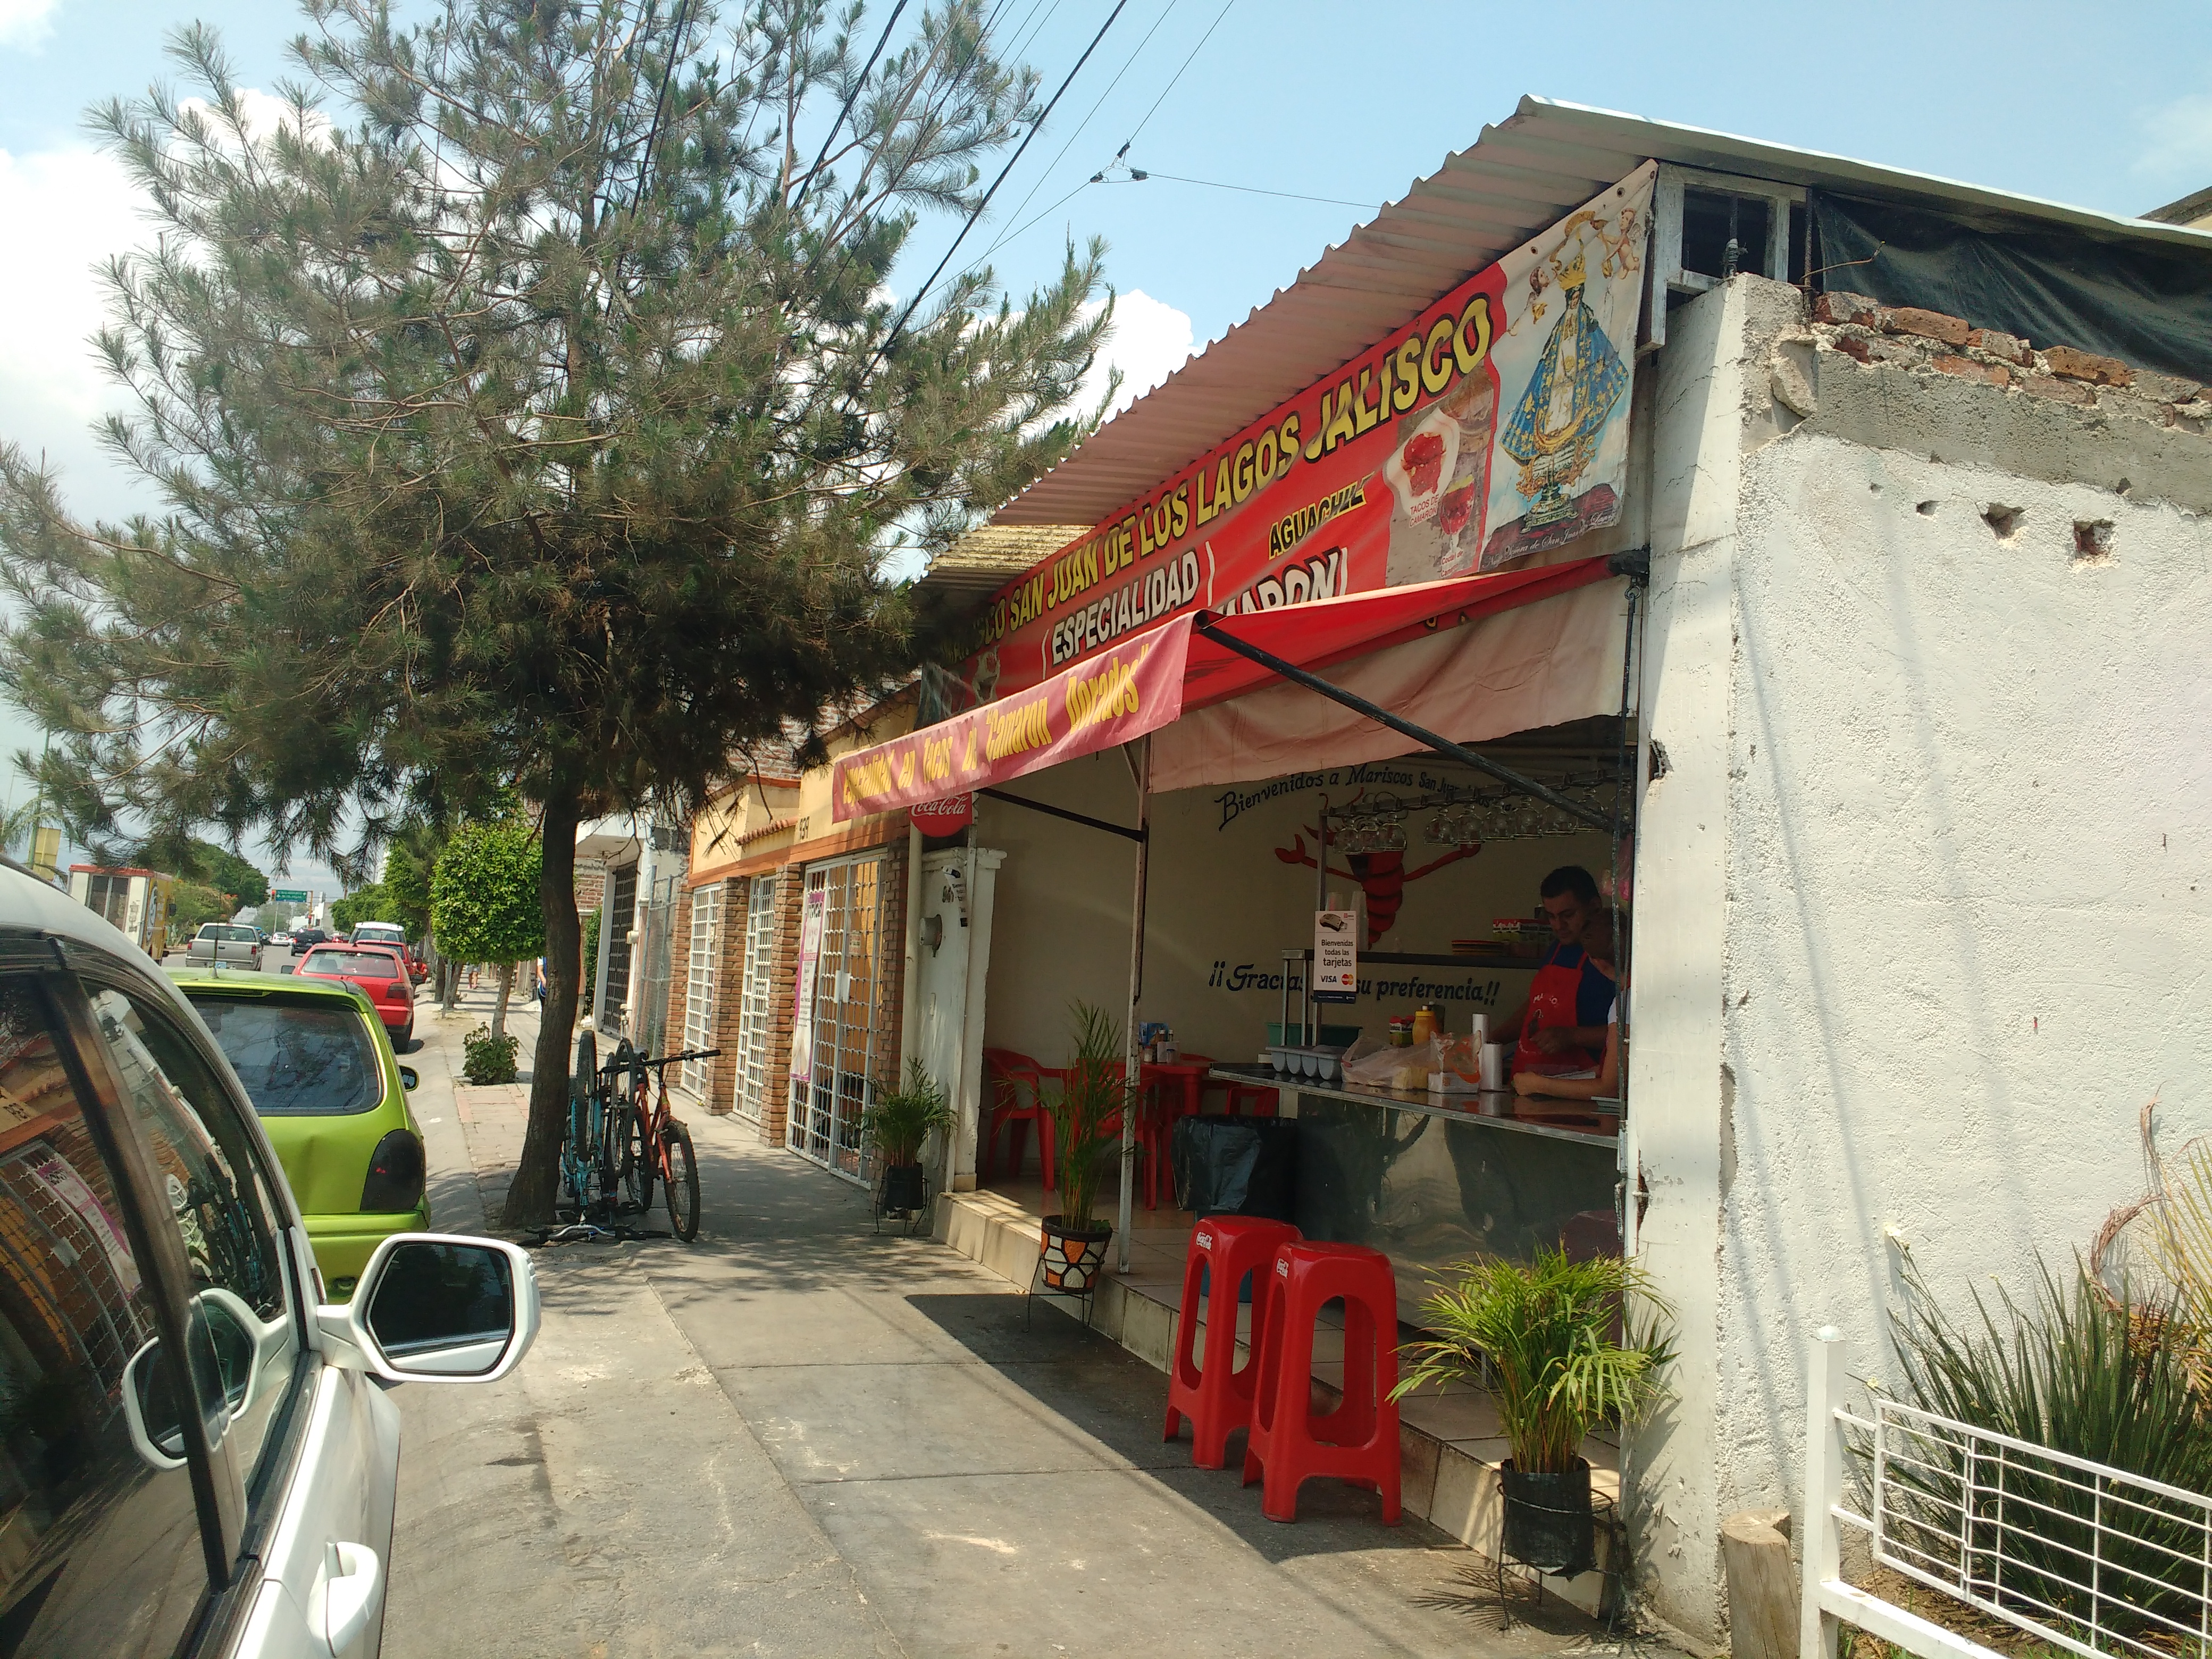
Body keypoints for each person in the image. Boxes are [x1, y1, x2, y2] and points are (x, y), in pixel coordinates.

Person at [1496, 865, 1617, 1078]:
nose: (1559, 926)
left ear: (1595, 906)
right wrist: (1491, 1040)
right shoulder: (1557, 949)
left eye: (1568, 915)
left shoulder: (1610, 954)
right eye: (1551, 917)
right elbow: (1536, 1005)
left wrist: (1573, 1036)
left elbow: (1633, 1033)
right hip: (1534, 1080)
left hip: (1586, 1083)